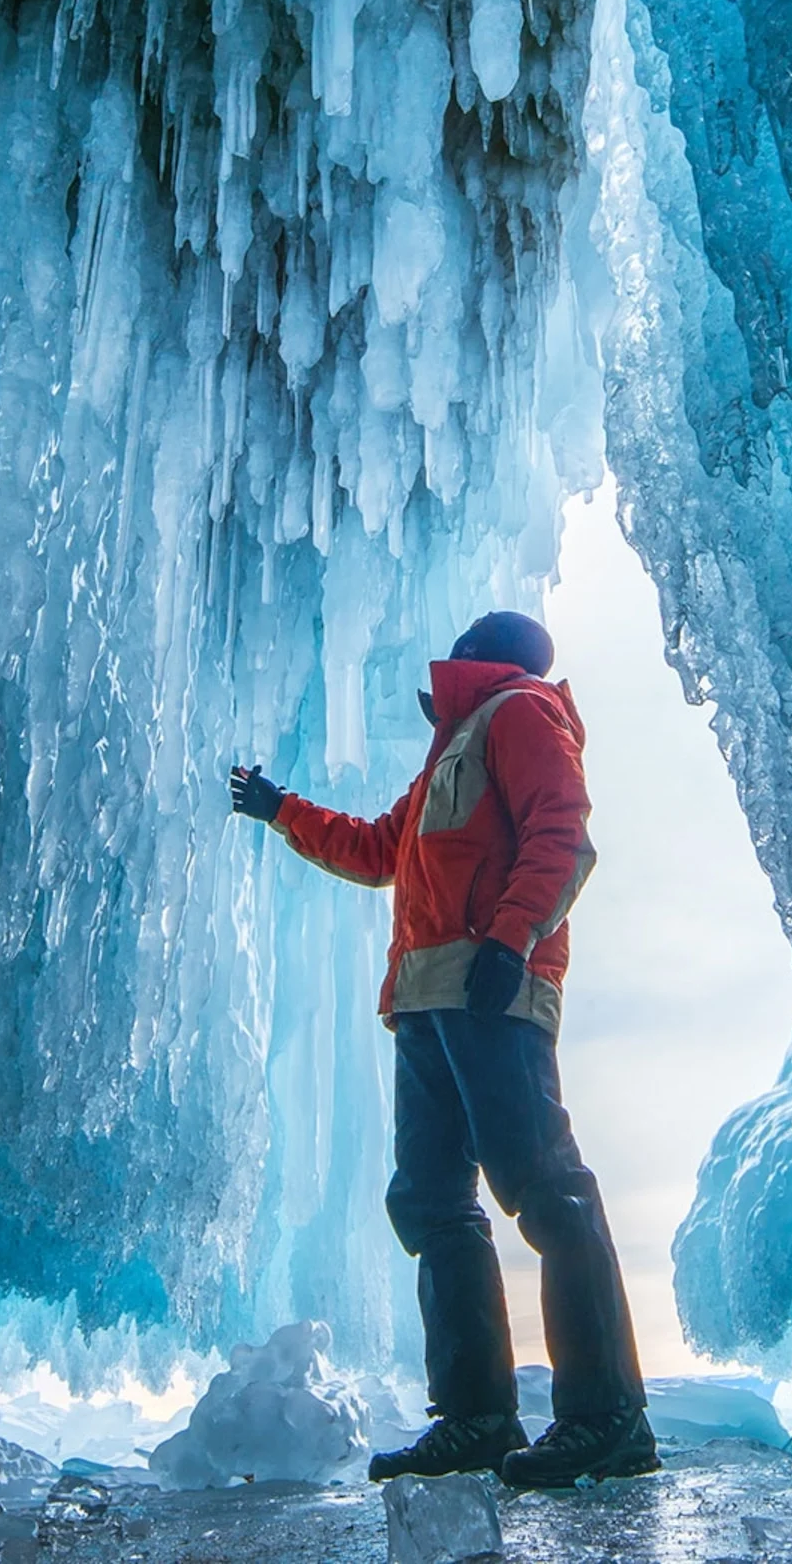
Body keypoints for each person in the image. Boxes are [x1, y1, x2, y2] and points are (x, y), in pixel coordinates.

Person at [228, 609, 657, 1490]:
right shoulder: (449, 753)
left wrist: (509, 942)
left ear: (483, 655)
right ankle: (474, 1418)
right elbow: (379, 850)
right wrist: (282, 811)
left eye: (465, 645)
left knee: (543, 1185)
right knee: (432, 1204)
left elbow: (563, 832)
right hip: (425, 1003)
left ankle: (608, 1416)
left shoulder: (520, 713)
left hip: (490, 988)